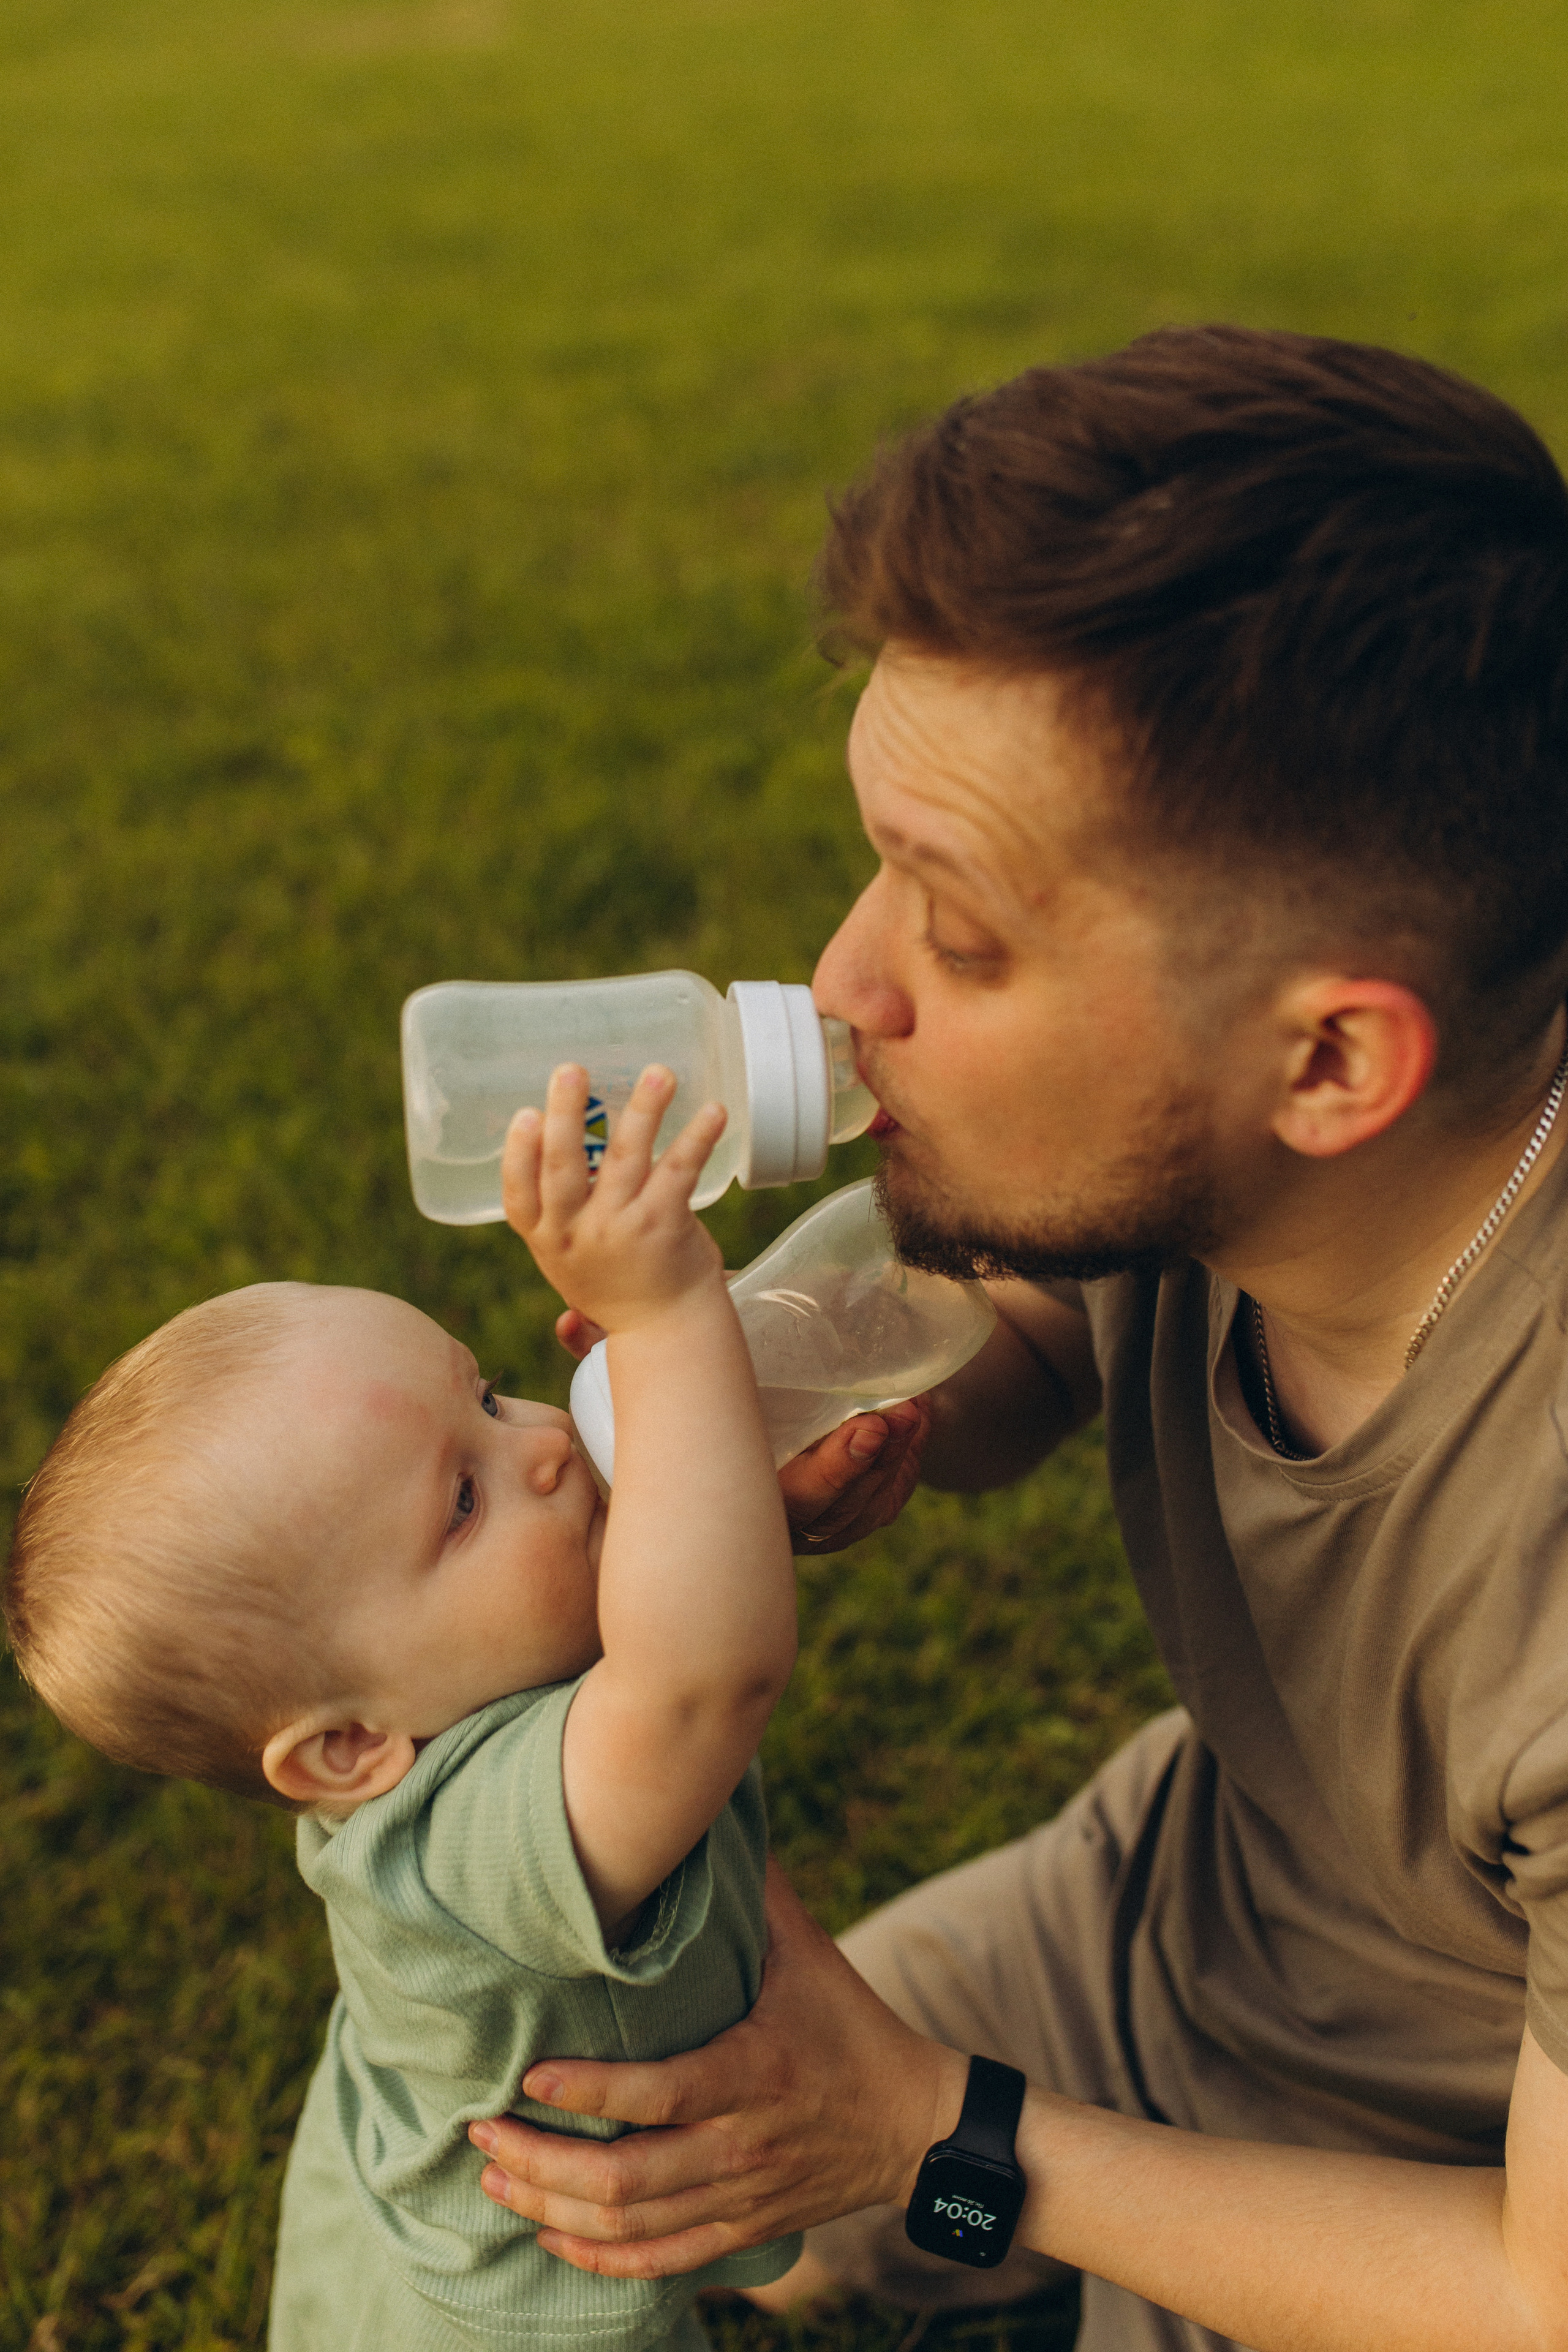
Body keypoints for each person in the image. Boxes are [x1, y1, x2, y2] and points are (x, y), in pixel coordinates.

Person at [461, 327, 1568, 2352]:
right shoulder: (1221, 1141)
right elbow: (1027, 1343)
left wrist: (928, 2136)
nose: (837, 979)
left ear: (1329, 1058)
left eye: (956, 935)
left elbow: (1540, 2292)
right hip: (1166, 1927)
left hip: (1447, 2200)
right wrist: (786, 1373)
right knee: (573, 2213)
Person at [4, 1062, 830, 2352]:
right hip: (512, 2319)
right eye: (461, 1499)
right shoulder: (465, 1844)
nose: (545, 1445)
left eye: (488, 1396)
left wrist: (710, 1456)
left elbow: (682, 1596)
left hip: (412, 2184)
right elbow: (699, 1678)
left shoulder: (461, 1698)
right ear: (349, 1746)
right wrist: (668, 1324)